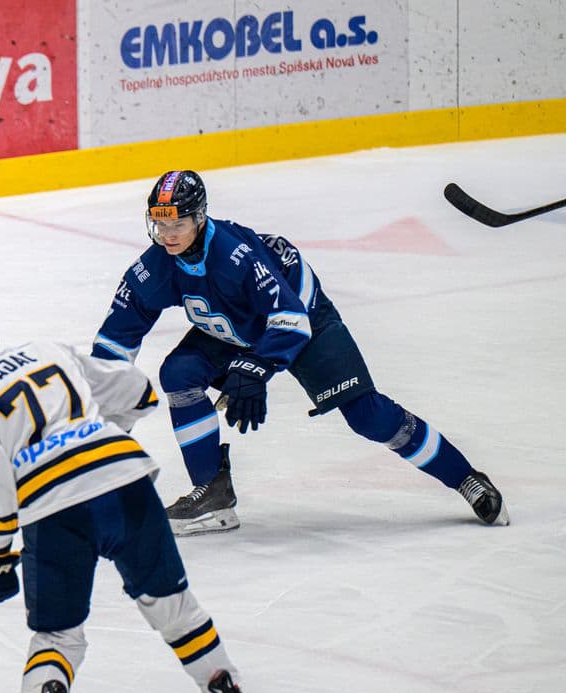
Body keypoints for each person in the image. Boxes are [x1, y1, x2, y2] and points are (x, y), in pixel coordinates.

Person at [0, 304, 267, 693]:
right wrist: (92, 430)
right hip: (122, 479)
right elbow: (140, 391)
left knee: (59, 635)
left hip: (52, 508)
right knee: (172, 605)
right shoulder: (46, 349)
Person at [92, 170, 510, 535]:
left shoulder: (236, 256)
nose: (166, 236)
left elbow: (290, 317)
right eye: (158, 225)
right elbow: (117, 336)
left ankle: (466, 479)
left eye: (177, 225)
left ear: (200, 218)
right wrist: (103, 396)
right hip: (234, 325)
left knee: (368, 415)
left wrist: (256, 367)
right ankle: (213, 494)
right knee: (180, 373)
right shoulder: (156, 265)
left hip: (305, 320)